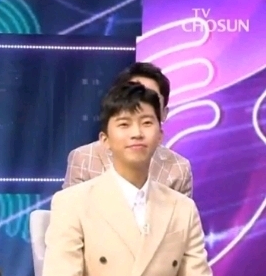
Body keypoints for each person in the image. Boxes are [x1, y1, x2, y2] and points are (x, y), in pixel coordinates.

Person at [42, 82, 244, 276]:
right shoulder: (73, 203)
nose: (137, 133)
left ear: (160, 135)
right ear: (105, 140)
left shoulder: (181, 208)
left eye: (147, 123)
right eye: (124, 124)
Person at [63, 62, 223, 276]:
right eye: (131, 97)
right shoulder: (83, 162)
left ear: (162, 117)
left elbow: (178, 255)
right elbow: (69, 252)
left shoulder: (178, 173)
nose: (136, 131)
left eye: (148, 107)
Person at [64, 62, 192, 197]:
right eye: (133, 96)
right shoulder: (84, 159)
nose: (141, 103)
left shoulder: (178, 168)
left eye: (151, 98)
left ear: (164, 113)